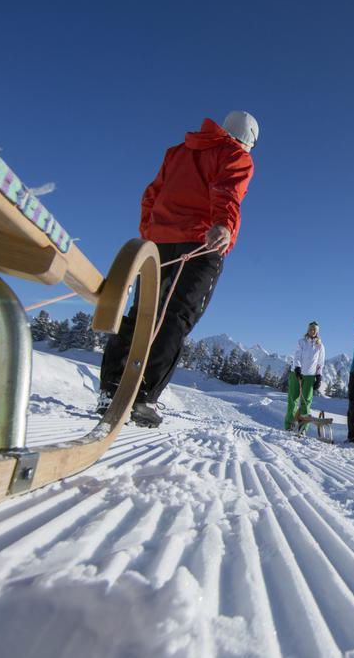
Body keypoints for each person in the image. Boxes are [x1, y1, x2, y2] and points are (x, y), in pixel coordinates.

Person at [98, 111, 259, 427]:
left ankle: (111, 387)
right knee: (177, 316)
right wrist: (223, 225)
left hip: (158, 242)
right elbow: (227, 190)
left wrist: (150, 232)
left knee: (143, 312)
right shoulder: (235, 154)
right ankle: (143, 396)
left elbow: (152, 194)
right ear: (248, 139)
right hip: (202, 243)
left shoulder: (179, 151)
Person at [285, 321, 325, 434]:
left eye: (314, 329)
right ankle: (289, 425)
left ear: (317, 332)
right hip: (297, 374)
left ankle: (303, 428)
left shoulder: (320, 346)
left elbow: (320, 363)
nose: (312, 331)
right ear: (308, 330)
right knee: (293, 399)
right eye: (310, 329)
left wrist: (319, 376)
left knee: (306, 402)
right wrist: (297, 368)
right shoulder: (301, 342)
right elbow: (297, 355)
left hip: (310, 377)